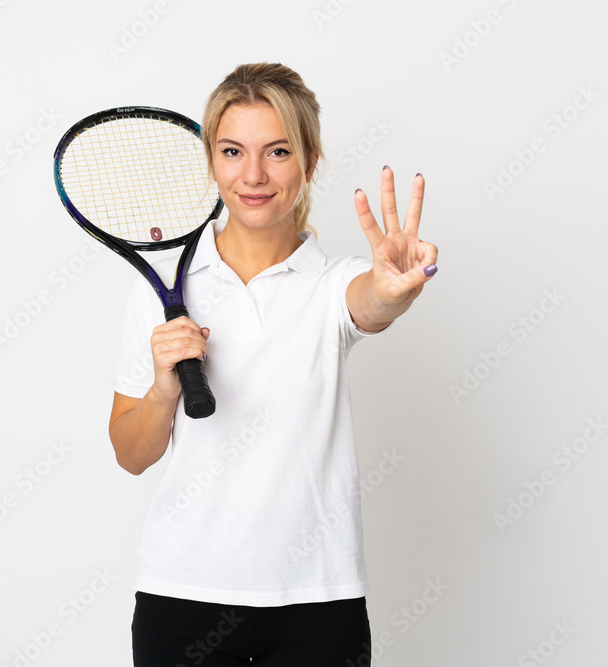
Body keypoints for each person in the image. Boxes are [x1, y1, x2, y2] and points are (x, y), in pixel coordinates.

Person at [109, 63, 438, 666]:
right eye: (232, 151)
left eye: (278, 151)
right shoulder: (160, 291)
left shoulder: (333, 284)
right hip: (183, 595)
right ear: (212, 162)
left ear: (309, 163)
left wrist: (393, 290)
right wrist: (162, 390)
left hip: (319, 602)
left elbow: (370, 302)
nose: (253, 174)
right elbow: (131, 455)